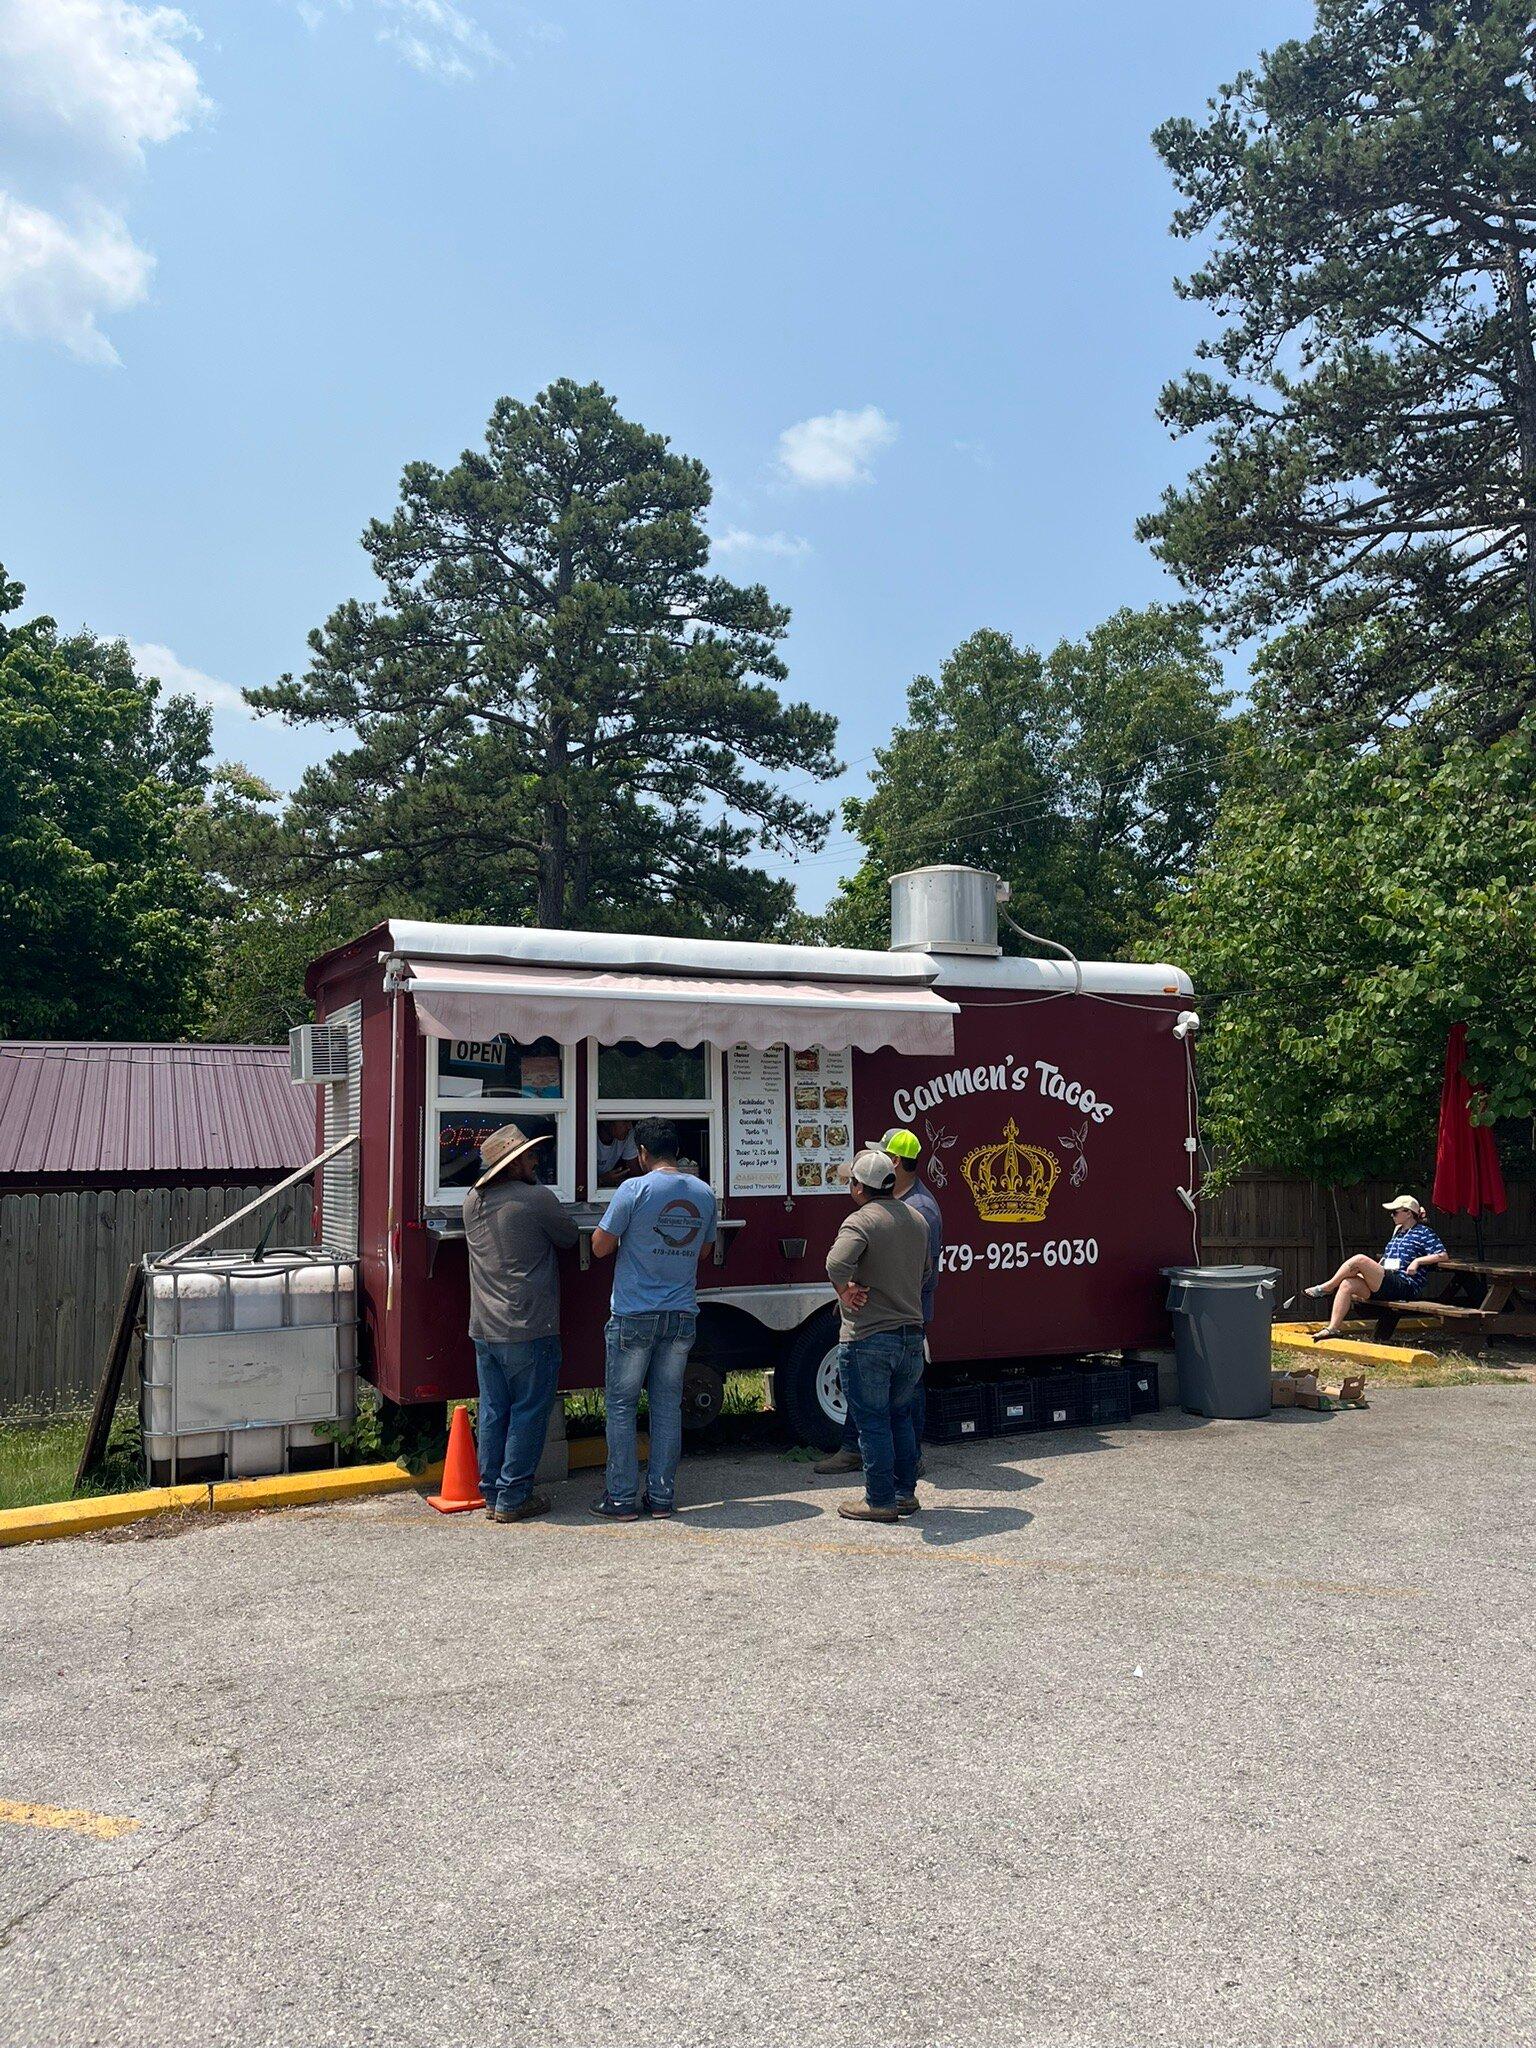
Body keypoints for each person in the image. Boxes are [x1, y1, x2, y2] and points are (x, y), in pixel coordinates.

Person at [588, 1116, 717, 1520]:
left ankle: (621, 1499)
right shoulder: (704, 1192)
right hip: (681, 1314)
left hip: (634, 1314)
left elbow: (600, 1248)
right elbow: (705, 1252)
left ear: (642, 1154)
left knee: (623, 1406)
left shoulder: (633, 1188)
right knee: (667, 1407)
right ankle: (661, 1498)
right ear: (675, 1151)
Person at [461, 1121, 579, 1522]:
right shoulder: (535, 1199)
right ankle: (514, 1496)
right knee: (530, 1409)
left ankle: (492, 1492)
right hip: (529, 1324)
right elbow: (568, 1236)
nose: (535, 1159)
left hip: (485, 1326)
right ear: (511, 1164)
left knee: (494, 1409)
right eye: (528, 1155)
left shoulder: (471, 1201)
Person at [814, 1126, 942, 1475]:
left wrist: (853, 1289)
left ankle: (905, 1467)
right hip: (894, 1316)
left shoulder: (920, 1209)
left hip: (899, 1317)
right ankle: (859, 1453)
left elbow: (923, 1272)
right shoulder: (902, 1206)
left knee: (902, 1402)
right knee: (877, 1401)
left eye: (883, 1154)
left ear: (895, 1162)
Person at [1291, 1195, 1449, 1341]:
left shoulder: (1424, 1232)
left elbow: (1442, 1255)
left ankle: (1328, 1287)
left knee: (1359, 1259)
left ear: (1408, 1213)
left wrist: (1418, 1262)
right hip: (1388, 1282)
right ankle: (1332, 1328)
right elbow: (1387, 1260)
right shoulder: (1398, 1233)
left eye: (1395, 1212)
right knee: (1347, 1283)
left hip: (1404, 1285)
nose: (1392, 1215)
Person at [594, 1118, 639, 1188]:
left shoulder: (628, 1134)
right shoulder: (587, 1135)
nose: (629, 1127)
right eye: (625, 1121)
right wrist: (601, 1180)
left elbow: (635, 1172)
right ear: (606, 1122)